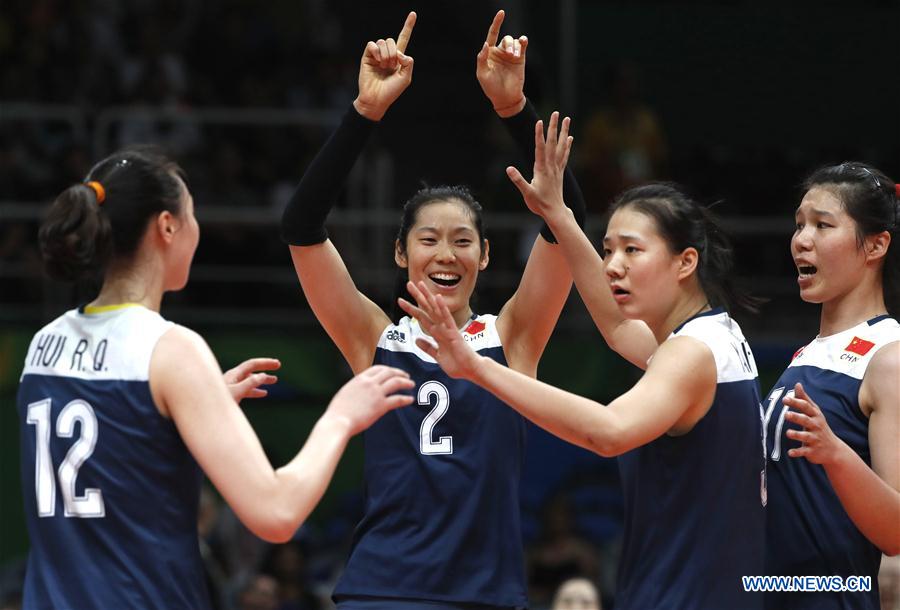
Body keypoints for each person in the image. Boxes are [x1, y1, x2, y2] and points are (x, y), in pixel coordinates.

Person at [17, 147, 414, 610]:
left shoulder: (44, 345)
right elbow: (277, 513)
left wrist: (180, 412)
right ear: (167, 226)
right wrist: (341, 417)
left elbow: (108, 468)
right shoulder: (170, 349)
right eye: (191, 214)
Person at [280, 10, 585, 609]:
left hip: (485, 594)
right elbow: (301, 226)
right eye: (428, 239)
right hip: (382, 590)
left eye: (463, 240)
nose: (446, 254)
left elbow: (565, 224)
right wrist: (363, 113)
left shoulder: (514, 336)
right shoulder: (374, 338)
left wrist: (513, 109)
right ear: (401, 252)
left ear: (486, 254)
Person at [400, 113, 765, 609]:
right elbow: (616, 328)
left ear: (685, 262)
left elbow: (609, 432)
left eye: (632, 251)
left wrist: (477, 367)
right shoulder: (717, 337)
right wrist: (559, 216)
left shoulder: (691, 352)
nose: (613, 265)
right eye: (609, 249)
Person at [762, 163, 900, 610]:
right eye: (800, 224)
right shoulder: (808, 355)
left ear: (876, 245)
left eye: (823, 225)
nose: (802, 239)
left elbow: (896, 532)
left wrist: (835, 453)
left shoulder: (890, 356)